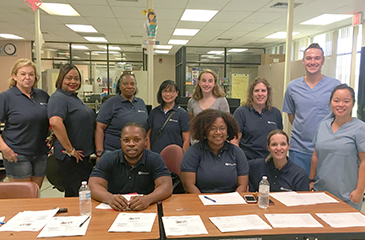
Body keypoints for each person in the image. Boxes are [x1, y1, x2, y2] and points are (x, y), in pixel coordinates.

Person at [282, 43, 341, 174]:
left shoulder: (335, 86)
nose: (312, 62)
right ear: (303, 61)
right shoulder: (293, 87)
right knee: (299, 189)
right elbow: (291, 116)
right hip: (298, 149)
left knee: (323, 189)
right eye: (309, 58)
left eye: (317, 58)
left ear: (323, 61)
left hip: (325, 148)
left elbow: (340, 116)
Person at [89, 122, 172, 211]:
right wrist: (109, 198)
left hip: (146, 209)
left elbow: (166, 186)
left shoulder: (155, 159)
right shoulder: (108, 158)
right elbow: (93, 185)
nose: (131, 144)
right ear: (121, 142)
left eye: (136, 140)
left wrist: (148, 199)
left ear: (145, 141)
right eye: (126, 140)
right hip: (115, 209)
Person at [309, 84, 365, 211]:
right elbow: (316, 155)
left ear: (352, 103)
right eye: (336, 101)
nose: (341, 105)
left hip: (348, 195)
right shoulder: (323, 126)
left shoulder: (360, 129)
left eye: (346, 101)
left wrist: (359, 191)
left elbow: (364, 161)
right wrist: (311, 179)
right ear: (330, 103)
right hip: (321, 192)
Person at [0, 59, 49, 188]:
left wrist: (53, 138)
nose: (27, 77)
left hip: (40, 153)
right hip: (17, 153)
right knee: (23, 196)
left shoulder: (42, 96)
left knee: (35, 193)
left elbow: (52, 120)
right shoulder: (6, 97)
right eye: (23, 74)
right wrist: (4, 149)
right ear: (14, 76)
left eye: (31, 74)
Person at [48, 64, 95, 197]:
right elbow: (55, 123)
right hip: (71, 158)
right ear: (61, 79)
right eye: (68, 78)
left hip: (81, 157)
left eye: (76, 78)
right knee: (77, 195)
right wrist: (70, 150)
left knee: (79, 193)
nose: (73, 82)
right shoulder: (58, 98)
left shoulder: (72, 98)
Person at [180, 109, 249, 193]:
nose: (218, 132)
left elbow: (242, 185)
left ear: (228, 130)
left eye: (222, 128)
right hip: (201, 200)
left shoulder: (237, 152)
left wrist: (233, 201)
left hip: (231, 200)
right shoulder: (193, 152)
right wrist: (203, 203)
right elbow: (189, 185)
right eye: (213, 128)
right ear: (204, 131)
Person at [95, 71, 148, 158]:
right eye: (125, 83)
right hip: (113, 152)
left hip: (136, 153)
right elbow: (99, 128)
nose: (129, 86)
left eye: (132, 84)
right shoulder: (111, 103)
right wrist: (99, 152)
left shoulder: (140, 103)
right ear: (119, 86)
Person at [232, 77, 283, 160]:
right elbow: (234, 141)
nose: (260, 94)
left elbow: (279, 140)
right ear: (251, 93)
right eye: (256, 91)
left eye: (263, 91)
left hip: (270, 161)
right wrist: (240, 162)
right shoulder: (241, 112)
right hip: (248, 161)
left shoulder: (275, 113)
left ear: (268, 93)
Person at [147, 80, 190, 153]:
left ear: (177, 93)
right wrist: (148, 154)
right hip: (156, 156)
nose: (168, 94)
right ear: (160, 93)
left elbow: (186, 139)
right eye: (165, 91)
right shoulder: (154, 112)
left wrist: (182, 157)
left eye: (171, 91)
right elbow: (147, 136)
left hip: (174, 156)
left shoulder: (182, 114)